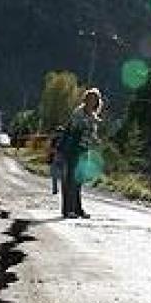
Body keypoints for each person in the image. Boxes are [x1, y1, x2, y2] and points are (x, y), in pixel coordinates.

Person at [59, 88, 102, 219]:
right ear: (86, 99)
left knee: (78, 181)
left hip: (84, 150)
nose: (92, 101)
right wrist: (88, 125)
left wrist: (96, 140)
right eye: (90, 98)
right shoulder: (78, 112)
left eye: (95, 99)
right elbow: (73, 129)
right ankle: (67, 210)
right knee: (70, 180)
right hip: (73, 149)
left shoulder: (93, 115)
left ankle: (77, 209)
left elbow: (92, 134)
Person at [47, 126, 65, 195]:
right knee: (63, 175)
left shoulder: (54, 139)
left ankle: (55, 189)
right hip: (63, 158)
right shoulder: (65, 139)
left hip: (56, 157)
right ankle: (63, 190)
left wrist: (49, 157)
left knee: (54, 175)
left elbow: (50, 149)